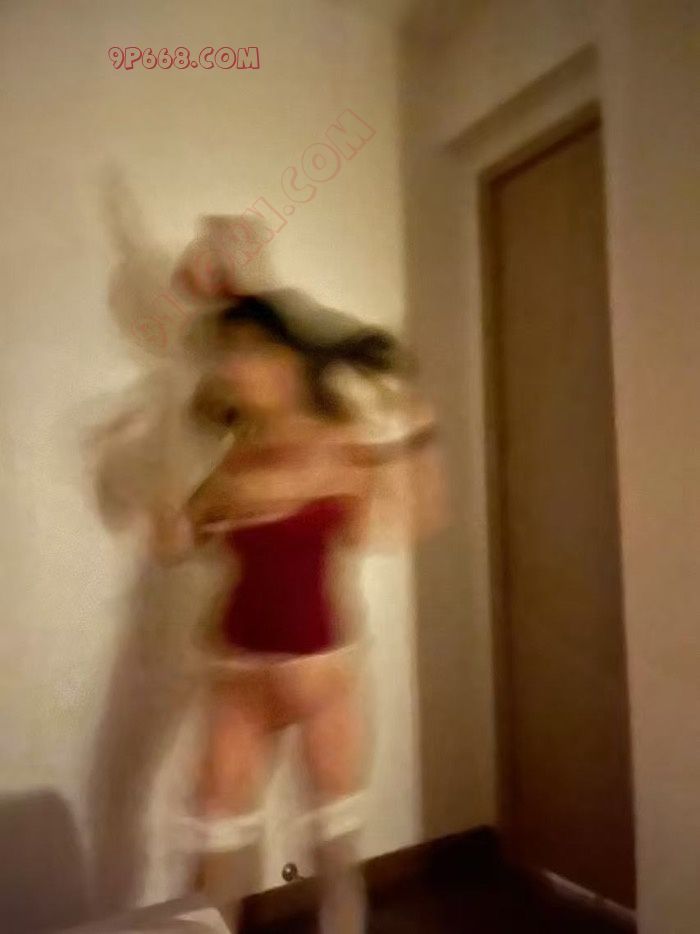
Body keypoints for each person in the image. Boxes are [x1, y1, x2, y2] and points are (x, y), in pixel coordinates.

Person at [147, 240, 446, 933]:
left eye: (248, 354)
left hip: (321, 678)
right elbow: (180, 542)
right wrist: (167, 524)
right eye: (226, 357)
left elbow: (406, 522)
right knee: (212, 859)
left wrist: (415, 440)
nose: (231, 369)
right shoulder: (234, 460)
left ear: (289, 364)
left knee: (335, 862)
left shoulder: (343, 444)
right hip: (236, 675)